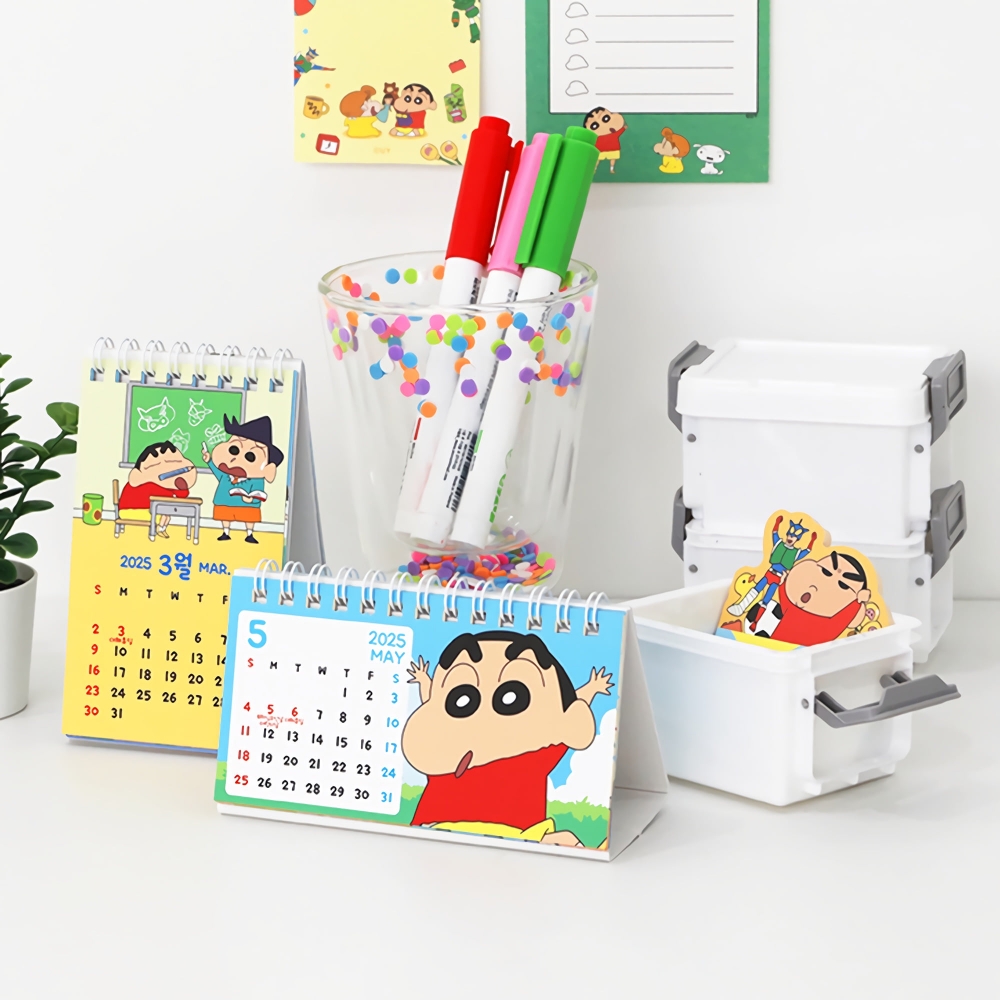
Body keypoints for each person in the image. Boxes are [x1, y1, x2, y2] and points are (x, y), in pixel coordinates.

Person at [402, 631, 613, 846]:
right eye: (462, 699)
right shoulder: (443, 753)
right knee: (564, 839)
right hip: (448, 830)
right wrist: (590, 690)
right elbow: (563, 715)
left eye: (512, 697)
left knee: (564, 839)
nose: (484, 717)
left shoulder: (529, 754)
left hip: (507, 836)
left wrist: (590, 690)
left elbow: (562, 715)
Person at [753, 551, 874, 646]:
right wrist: (784, 583)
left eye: (843, 585)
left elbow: (842, 619)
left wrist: (857, 602)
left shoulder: (827, 626)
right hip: (775, 651)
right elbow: (786, 602)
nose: (827, 583)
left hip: (805, 661)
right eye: (826, 571)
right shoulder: (794, 609)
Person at [202, 415, 284, 543]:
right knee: (225, 515)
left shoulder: (256, 479)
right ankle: (225, 532)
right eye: (234, 449)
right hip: (224, 502)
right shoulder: (225, 475)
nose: (236, 460)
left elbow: (258, 492)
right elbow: (217, 473)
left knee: (249, 517)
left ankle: (249, 534)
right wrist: (209, 461)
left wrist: (251, 499)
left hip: (247, 505)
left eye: (250, 457)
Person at [118, 441, 195, 539]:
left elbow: (179, 495)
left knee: (166, 514)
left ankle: (161, 529)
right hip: (130, 510)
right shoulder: (146, 482)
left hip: (147, 510)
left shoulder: (161, 484)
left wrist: (181, 487)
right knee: (162, 514)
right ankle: (157, 531)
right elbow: (166, 495)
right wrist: (177, 489)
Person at [583, 107, 628, 175]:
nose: (602, 125)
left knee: (613, 158)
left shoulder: (613, 134)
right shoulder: (596, 136)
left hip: (613, 149)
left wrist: (624, 128)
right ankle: (594, 169)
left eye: (605, 118)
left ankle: (611, 169)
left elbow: (619, 132)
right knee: (597, 159)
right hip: (600, 150)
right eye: (594, 125)